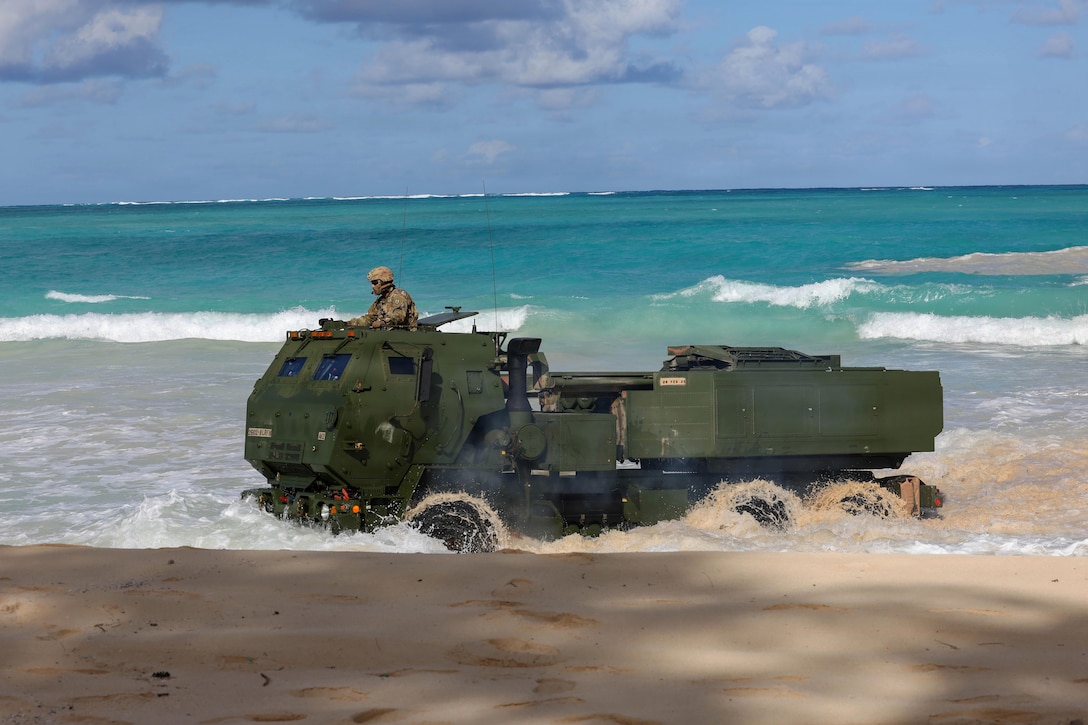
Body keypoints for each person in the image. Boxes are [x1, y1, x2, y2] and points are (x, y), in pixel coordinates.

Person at [349, 266, 418, 330]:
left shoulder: (399, 296)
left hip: (405, 334)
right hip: (387, 335)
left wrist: (382, 323)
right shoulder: (381, 301)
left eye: (375, 283)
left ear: (384, 282)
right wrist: (352, 323)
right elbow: (370, 318)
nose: (372, 286)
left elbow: (399, 317)